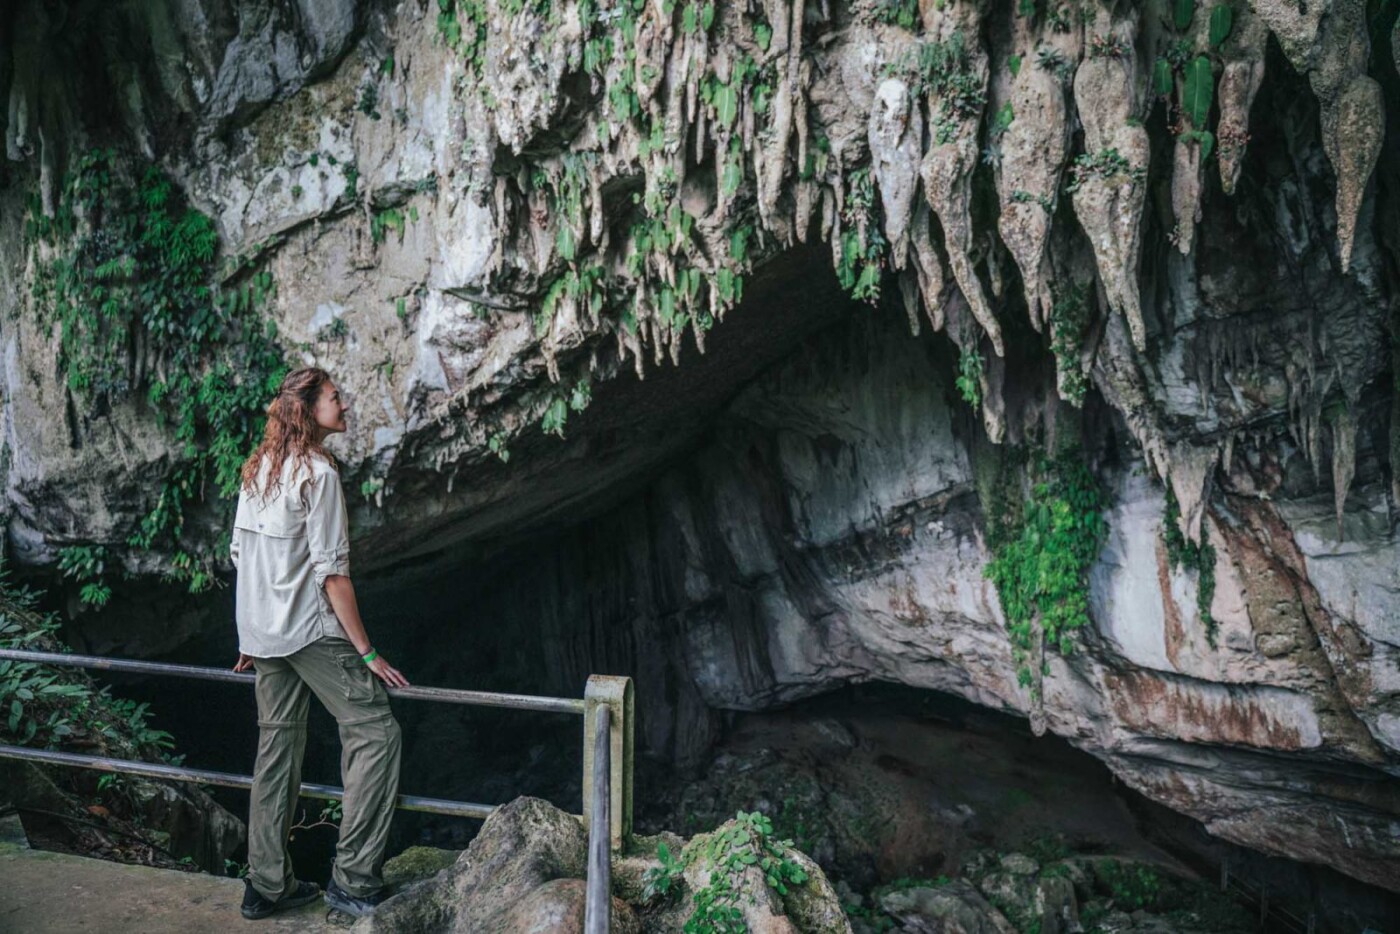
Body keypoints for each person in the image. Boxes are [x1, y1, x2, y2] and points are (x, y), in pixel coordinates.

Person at [229, 366, 410, 920]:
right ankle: (354, 880)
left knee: (277, 750)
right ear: (309, 409)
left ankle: (266, 885)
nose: (345, 404)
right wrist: (368, 651)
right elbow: (333, 575)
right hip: (309, 631)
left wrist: (253, 633)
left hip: (264, 634)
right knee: (376, 733)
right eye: (336, 397)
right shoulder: (318, 474)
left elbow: (240, 555)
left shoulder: (259, 467)